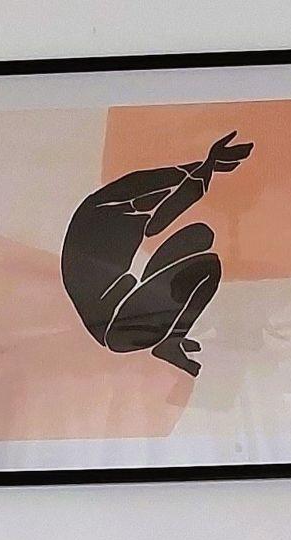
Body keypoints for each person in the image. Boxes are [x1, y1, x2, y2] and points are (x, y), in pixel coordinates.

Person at [60, 132, 254, 377]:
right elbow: (164, 214)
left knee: (199, 235)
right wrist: (208, 166)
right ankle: (170, 343)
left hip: (123, 301)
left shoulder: (112, 203)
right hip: (116, 327)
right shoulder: (109, 214)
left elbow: (170, 185)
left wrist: (210, 164)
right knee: (208, 266)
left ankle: (170, 334)